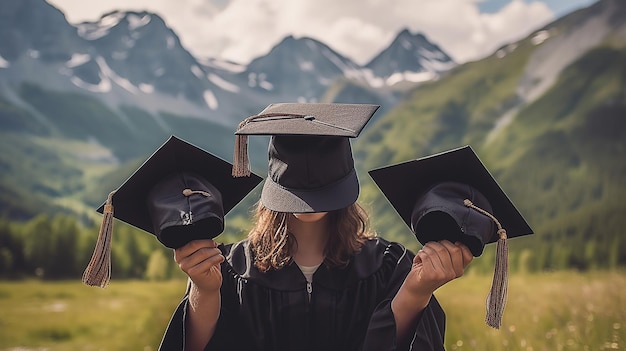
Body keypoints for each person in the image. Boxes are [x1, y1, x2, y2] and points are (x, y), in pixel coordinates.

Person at [159, 103, 476, 351]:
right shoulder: (230, 269)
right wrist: (205, 290)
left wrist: (416, 292)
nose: (308, 202)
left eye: (320, 191)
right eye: (298, 193)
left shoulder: (391, 266)